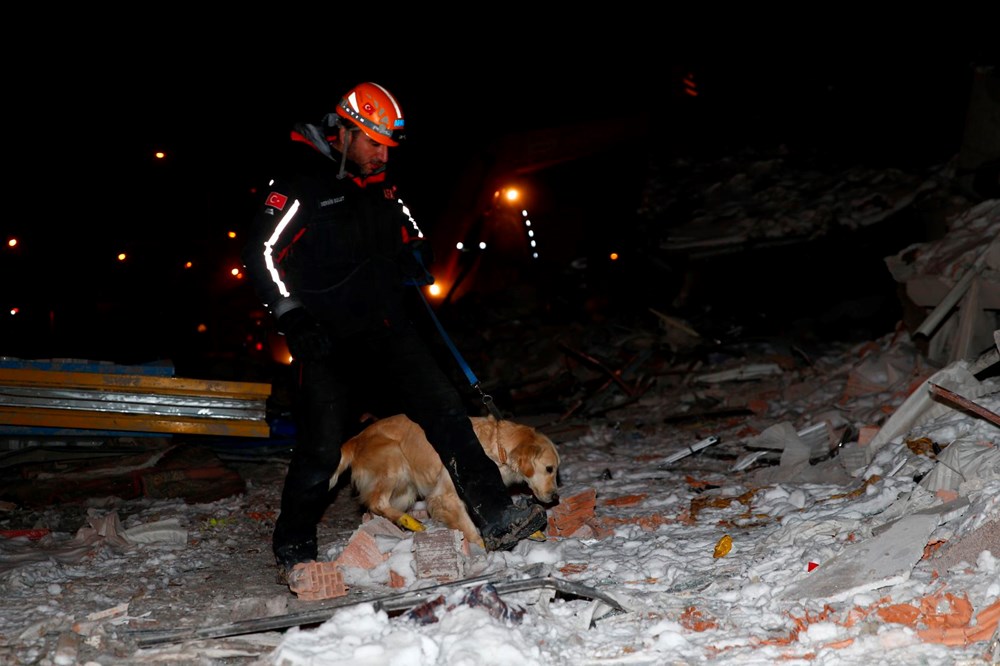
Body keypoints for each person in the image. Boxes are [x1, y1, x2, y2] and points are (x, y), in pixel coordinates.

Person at [241, 82, 548, 582]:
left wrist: (414, 248)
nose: (382, 154)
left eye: (387, 146)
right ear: (343, 132)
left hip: (388, 331)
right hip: (325, 339)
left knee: (448, 414)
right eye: (373, 143)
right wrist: (290, 313)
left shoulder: (379, 180)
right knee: (321, 448)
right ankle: (294, 543)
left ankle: (497, 517)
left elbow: (404, 222)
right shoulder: (302, 183)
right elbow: (259, 253)